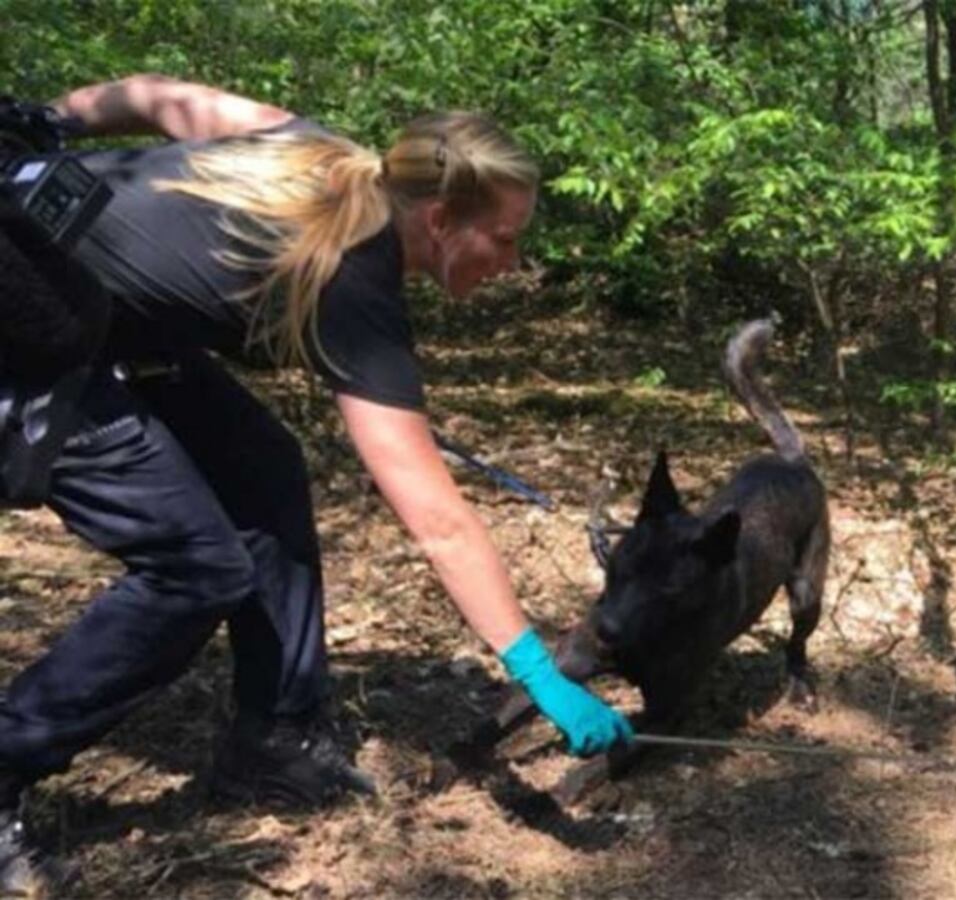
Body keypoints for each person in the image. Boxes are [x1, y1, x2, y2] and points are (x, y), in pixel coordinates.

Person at [0, 73, 632, 894]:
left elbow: (152, 95)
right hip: (23, 319)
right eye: (505, 239)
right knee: (196, 567)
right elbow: (438, 521)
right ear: (440, 222)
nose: (515, 262)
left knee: (263, 469)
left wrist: (47, 121)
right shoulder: (354, 284)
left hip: (93, 309)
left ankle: (276, 737)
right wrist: (541, 677)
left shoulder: (318, 151)